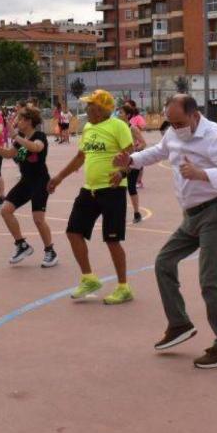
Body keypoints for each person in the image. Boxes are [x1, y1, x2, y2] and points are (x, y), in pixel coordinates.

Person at [115, 94, 217, 368]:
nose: (175, 128)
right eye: (170, 123)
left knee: (210, 280)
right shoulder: (173, 134)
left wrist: (203, 174)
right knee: (164, 262)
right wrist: (131, 160)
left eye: (179, 122)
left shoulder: (215, 136)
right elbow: (159, 152)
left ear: (194, 115)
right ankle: (179, 324)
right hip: (192, 216)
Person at [48, 89, 135, 305]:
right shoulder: (88, 128)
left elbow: (132, 154)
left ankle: (123, 287)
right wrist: (59, 177)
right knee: (73, 232)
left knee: (112, 240)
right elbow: (80, 157)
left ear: (102, 108)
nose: (87, 108)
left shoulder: (118, 126)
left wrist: (122, 172)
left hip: (113, 190)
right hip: (90, 189)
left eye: (90, 105)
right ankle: (89, 279)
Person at [0, 105, 58, 267]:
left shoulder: (39, 136)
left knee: (38, 219)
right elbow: (9, 154)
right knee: (5, 211)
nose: (17, 121)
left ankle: (50, 251)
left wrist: (16, 136)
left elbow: (36, 147)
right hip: (26, 181)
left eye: (20, 119)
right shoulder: (20, 136)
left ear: (28, 121)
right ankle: (21, 245)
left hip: (40, 181)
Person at [121, 100, 146, 224]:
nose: (118, 114)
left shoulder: (133, 128)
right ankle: (119, 213)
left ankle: (137, 213)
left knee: (131, 187)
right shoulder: (119, 128)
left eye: (121, 112)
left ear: (128, 115)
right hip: (122, 162)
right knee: (119, 188)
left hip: (133, 161)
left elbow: (143, 143)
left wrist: (134, 151)